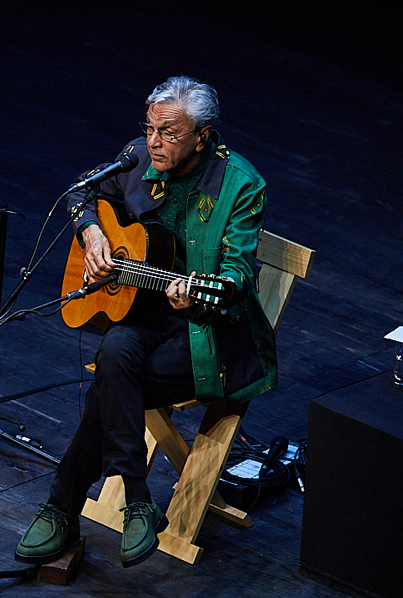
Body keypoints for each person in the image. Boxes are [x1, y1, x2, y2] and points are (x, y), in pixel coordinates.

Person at [15, 76, 277, 568]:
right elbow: (80, 194)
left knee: (113, 374)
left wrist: (195, 292)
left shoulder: (240, 184)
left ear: (203, 135)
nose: (154, 141)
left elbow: (236, 278)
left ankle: (63, 506)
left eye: (170, 133)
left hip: (206, 330)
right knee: (116, 353)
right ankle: (137, 499)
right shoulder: (137, 156)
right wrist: (93, 235)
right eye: (151, 127)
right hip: (143, 311)